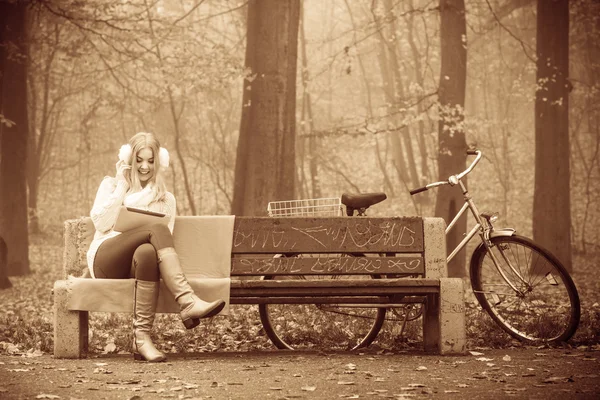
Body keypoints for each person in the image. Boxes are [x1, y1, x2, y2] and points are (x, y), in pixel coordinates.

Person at [87, 132, 225, 362]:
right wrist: (122, 185)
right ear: (129, 159)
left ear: (158, 163)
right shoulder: (110, 185)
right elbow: (101, 223)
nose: (144, 166)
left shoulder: (165, 199)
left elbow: (163, 245)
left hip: (138, 264)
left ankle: (141, 340)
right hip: (105, 259)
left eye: (150, 161)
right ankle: (188, 301)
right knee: (157, 229)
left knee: (148, 251)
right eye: (139, 159)